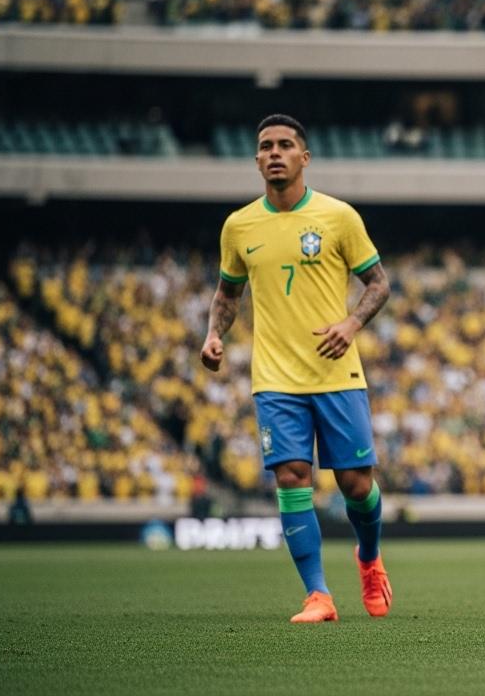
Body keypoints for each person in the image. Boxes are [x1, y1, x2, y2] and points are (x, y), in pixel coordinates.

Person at [200, 114, 393, 623]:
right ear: (257, 159)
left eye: (286, 145)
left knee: (356, 487)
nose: (275, 153)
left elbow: (378, 283)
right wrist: (214, 334)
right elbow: (227, 293)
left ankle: (369, 559)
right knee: (291, 477)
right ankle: (318, 596)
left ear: (304, 158)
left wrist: (351, 325)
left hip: (336, 374)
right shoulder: (239, 226)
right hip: (275, 378)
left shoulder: (338, 217)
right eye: (266, 146)